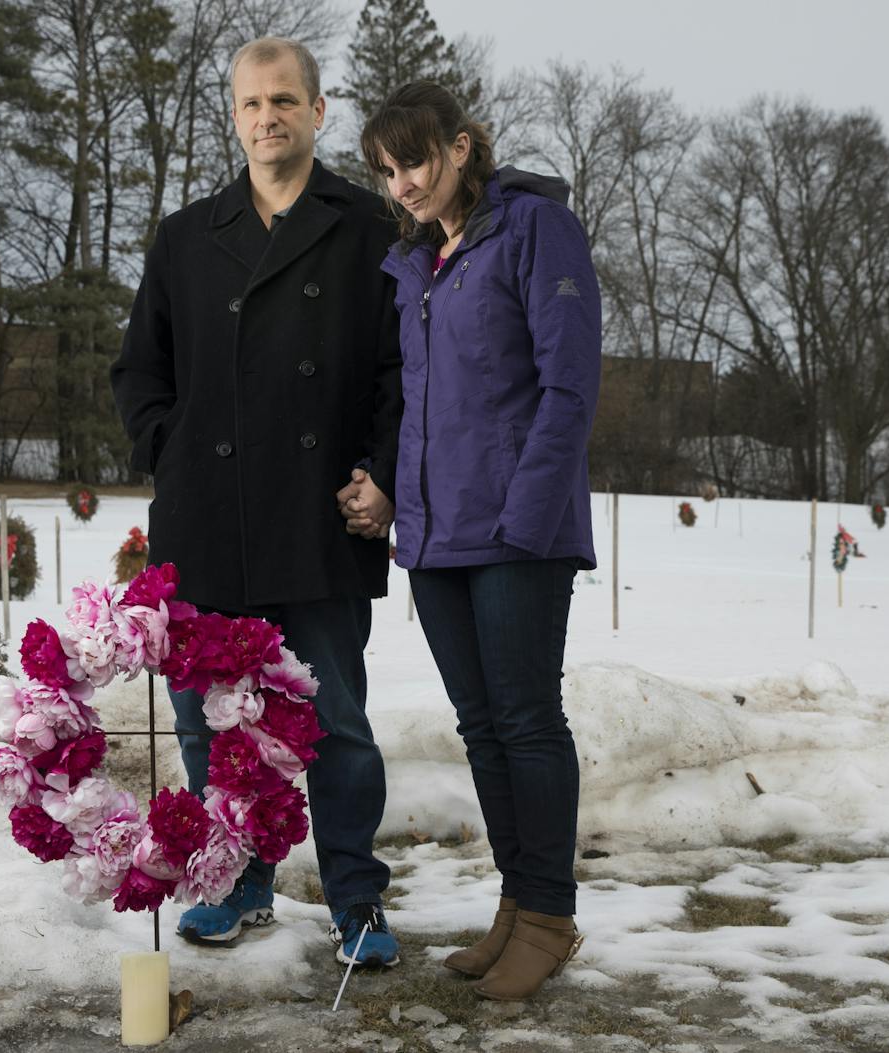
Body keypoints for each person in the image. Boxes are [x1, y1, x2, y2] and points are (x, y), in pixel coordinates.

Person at [111, 37, 404, 967]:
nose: (267, 117)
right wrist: (177, 451)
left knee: (335, 720)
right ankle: (238, 885)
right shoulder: (186, 235)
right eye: (251, 104)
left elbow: (405, 373)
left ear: (320, 112)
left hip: (324, 512)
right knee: (209, 722)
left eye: (285, 100)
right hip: (209, 519)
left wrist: (385, 474)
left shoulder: (369, 227)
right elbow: (138, 373)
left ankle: (357, 896)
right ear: (232, 117)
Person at [349, 81, 601, 1000]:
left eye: (413, 161)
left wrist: (528, 524)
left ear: (460, 147)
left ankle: (550, 914)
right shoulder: (418, 262)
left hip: (515, 532)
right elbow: (420, 406)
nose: (402, 184)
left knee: (529, 721)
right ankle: (516, 901)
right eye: (386, 171)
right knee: (483, 727)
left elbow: (568, 385)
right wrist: (399, 508)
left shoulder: (534, 230)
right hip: (439, 535)